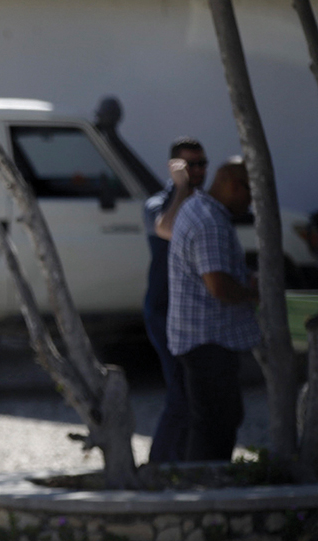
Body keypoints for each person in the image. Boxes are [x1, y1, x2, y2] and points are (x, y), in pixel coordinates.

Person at [168, 158, 259, 462]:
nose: (251, 203)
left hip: (200, 338)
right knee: (215, 424)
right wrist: (254, 294)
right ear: (234, 185)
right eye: (251, 193)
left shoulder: (197, 208)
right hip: (209, 340)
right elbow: (218, 286)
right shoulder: (210, 222)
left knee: (215, 419)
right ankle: (206, 490)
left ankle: (203, 485)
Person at [143, 137, 208, 464]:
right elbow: (165, 229)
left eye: (201, 164)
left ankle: (184, 461)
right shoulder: (159, 202)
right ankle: (159, 466)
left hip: (198, 313)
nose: (197, 171)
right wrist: (181, 188)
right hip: (165, 311)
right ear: (174, 168)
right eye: (190, 165)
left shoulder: (207, 203)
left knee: (199, 395)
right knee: (180, 394)